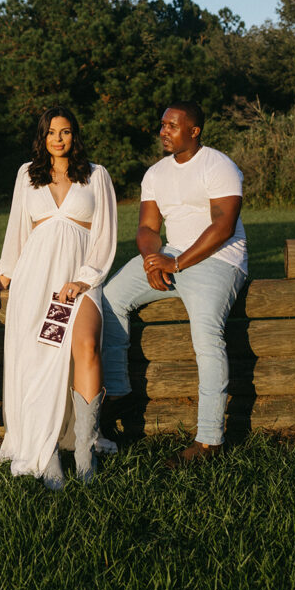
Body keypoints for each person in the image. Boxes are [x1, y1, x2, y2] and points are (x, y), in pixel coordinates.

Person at [101, 102, 248, 464]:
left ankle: (209, 442)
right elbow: (148, 228)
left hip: (217, 259)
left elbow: (223, 227)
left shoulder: (219, 165)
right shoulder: (155, 174)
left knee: (206, 336)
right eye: (162, 125)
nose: (163, 131)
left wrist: (177, 262)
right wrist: (153, 260)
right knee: (110, 298)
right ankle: (120, 393)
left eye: (172, 125)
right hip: (170, 254)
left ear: (194, 131)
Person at [0, 107, 117, 489]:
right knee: (37, 360)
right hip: (36, 278)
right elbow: (18, 226)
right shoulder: (26, 174)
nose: (58, 139)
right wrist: (6, 274)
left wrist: (83, 280)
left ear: (75, 135)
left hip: (80, 278)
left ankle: (84, 452)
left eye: (65, 132)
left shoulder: (97, 175)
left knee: (86, 346)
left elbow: (105, 235)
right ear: (42, 137)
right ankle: (45, 454)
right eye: (51, 132)